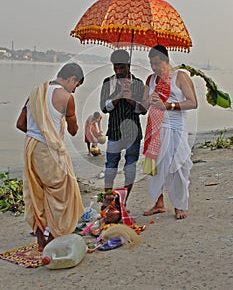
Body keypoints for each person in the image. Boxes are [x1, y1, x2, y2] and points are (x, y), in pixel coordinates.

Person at [16, 62, 85, 250]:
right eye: (76, 85)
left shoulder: (35, 93)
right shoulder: (66, 97)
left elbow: (20, 124)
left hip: (30, 147)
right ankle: (53, 239)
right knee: (62, 192)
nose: (75, 90)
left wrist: (38, 132)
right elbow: (73, 131)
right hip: (48, 149)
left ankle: (40, 240)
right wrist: (62, 126)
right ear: (71, 79)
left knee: (36, 192)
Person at [142, 45, 198, 219]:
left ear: (166, 60)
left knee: (177, 168)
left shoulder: (179, 76)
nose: (154, 67)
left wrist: (168, 105)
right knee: (155, 168)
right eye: (151, 64)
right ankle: (159, 204)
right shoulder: (151, 79)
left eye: (157, 63)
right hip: (155, 128)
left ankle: (179, 206)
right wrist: (145, 99)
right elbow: (143, 105)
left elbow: (193, 103)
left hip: (175, 129)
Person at [100, 49, 146, 204]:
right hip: (114, 131)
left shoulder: (138, 84)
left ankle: (124, 201)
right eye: (115, 67)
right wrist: (119, 96)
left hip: (133, 132)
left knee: (130, 167)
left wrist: (131, 98)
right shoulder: (108, 82)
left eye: (121, 67)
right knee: (110, 166)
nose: (118, 71)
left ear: (128, 65)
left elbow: (143, 110)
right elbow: (104, 108)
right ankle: (107, 199)